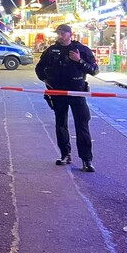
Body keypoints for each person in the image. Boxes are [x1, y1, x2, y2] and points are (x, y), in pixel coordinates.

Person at [35, 23, 98, 172]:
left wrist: (79, 61)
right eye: (59, 33)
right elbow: (39, 68)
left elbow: (94, 70)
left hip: (77, 92)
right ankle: (65, 154)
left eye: (63, 33)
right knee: (60, 124)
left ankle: (86, 160)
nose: (60, 36)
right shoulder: (51, 51)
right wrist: (46, 81)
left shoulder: (81, 50)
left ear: (70, 34)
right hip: (58, 93)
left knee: (82, 125)